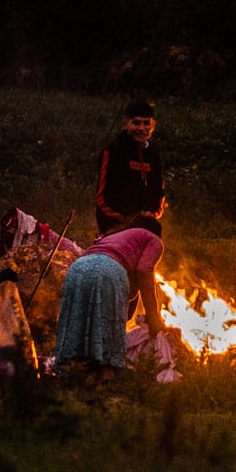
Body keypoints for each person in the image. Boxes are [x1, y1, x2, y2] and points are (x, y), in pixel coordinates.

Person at [51, 214, 167, 378]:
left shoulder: (113, 237)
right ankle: (105, 384)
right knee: (108, 346)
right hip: (108, 270)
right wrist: (153, 316)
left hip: (77, 270)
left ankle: (68, 380)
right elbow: (144, 270)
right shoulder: (154, 240)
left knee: (79, 333)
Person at [95, 99, 165, 235]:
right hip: (115, 222)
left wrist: (152, 214)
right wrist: (127, 219)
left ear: (153, 125)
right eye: (136, 123)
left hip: (144, 223)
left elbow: (158, 191)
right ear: (126, 124)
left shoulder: (153, 155)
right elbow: (102, 197)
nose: (141, 128)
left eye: (146, 123)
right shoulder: (113, 150)